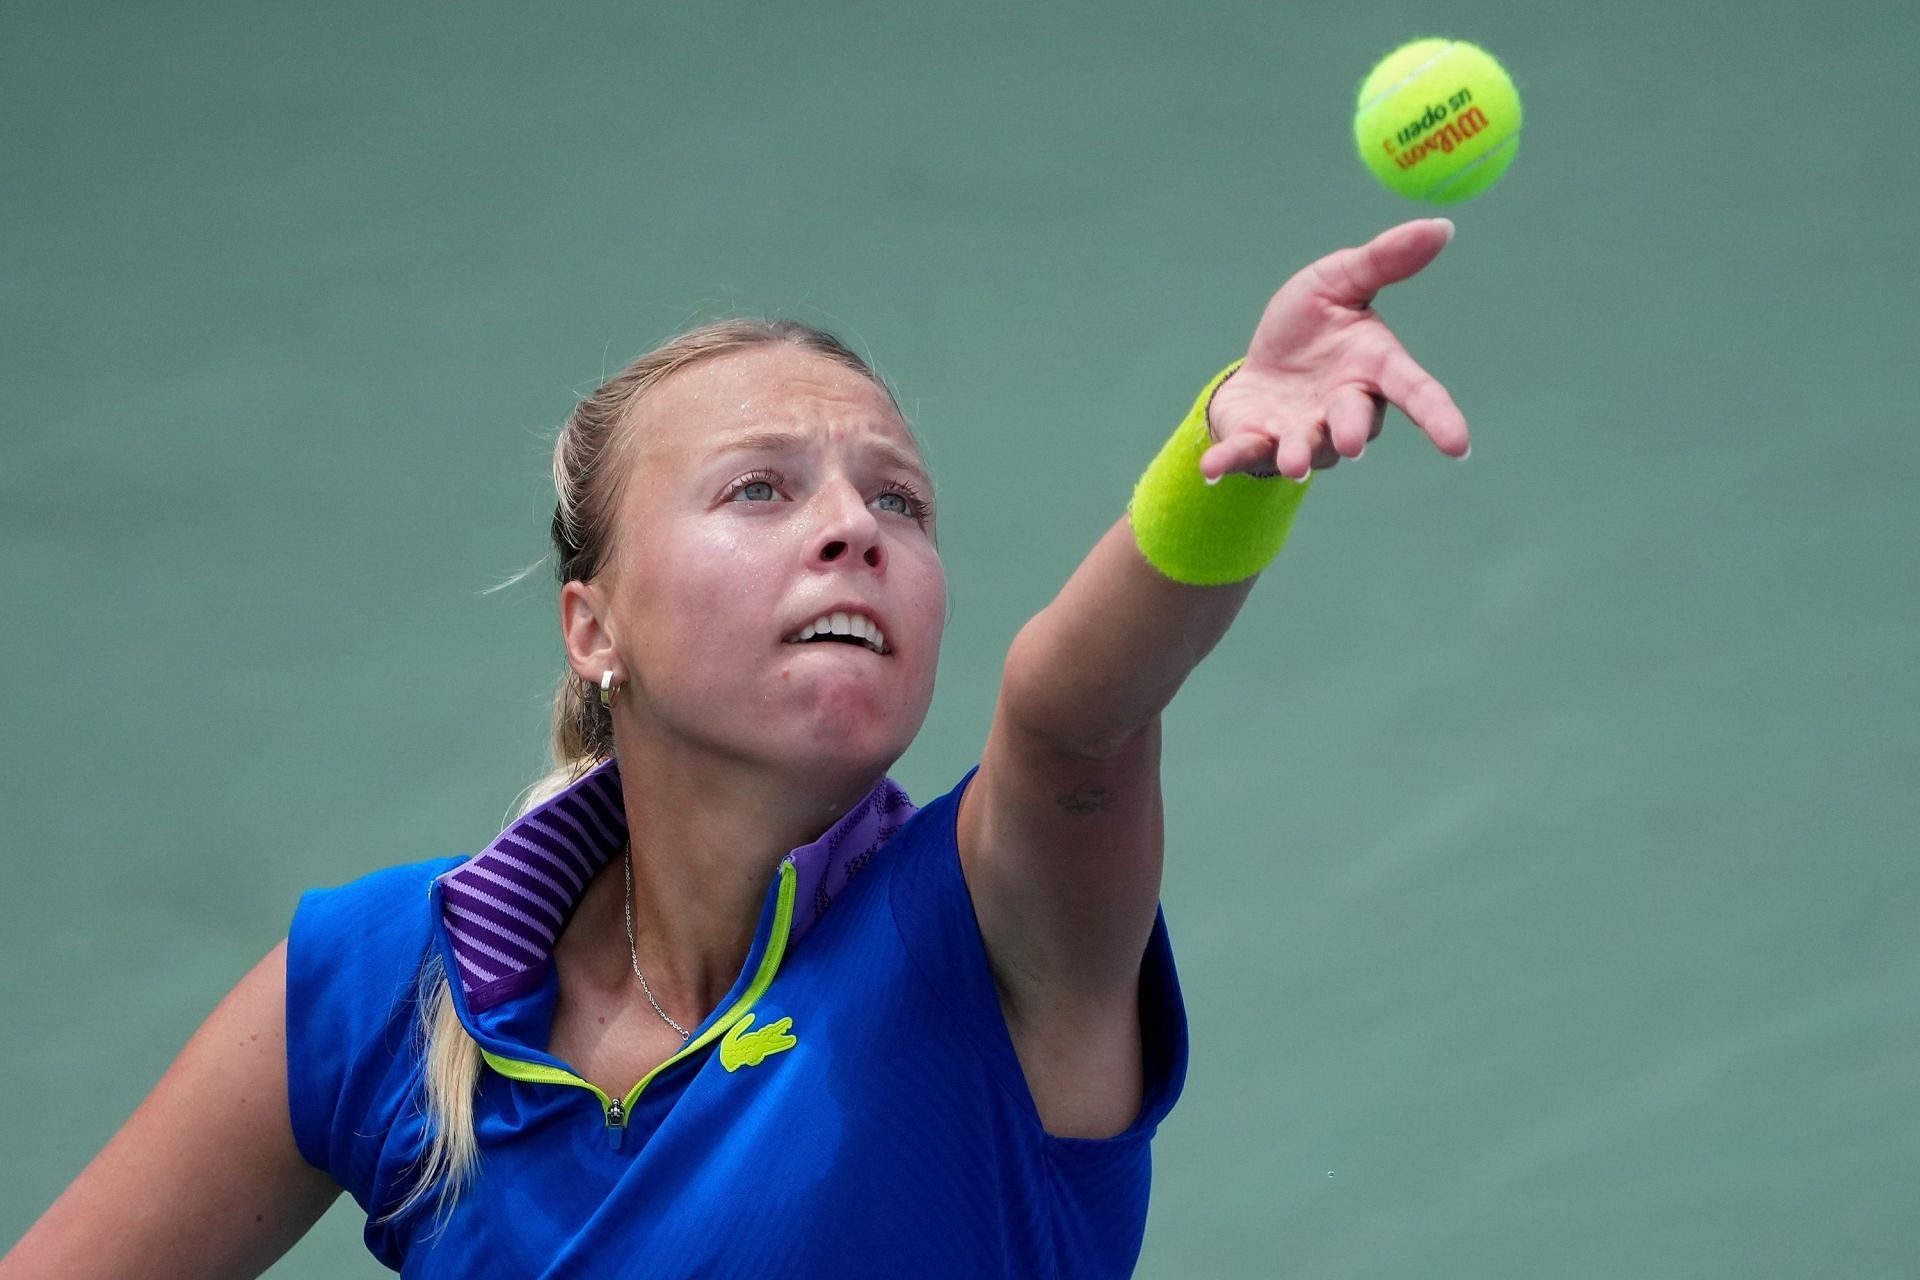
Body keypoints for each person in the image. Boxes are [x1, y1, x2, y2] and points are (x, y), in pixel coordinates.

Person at [1, 219, 1471, 1279]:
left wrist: (1226, 455)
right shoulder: (381, 984)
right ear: (595, 628)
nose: (851, 528)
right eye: (760, 489)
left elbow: (1074, 718)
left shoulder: (996, 937)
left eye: (899, 503)